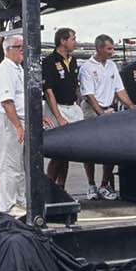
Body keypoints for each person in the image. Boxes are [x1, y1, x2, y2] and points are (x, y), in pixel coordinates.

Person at [79, 34, 135, 199]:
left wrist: (132, 106)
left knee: (111, 148)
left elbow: (120, 90)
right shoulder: (87, 67)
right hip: (91, 109)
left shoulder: (112, 66)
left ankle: (105, 184)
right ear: (99, 48)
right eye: (109, 48)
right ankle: (91, 185)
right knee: (88, 149)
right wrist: (101, 114)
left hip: (109, 109)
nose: (112, 51)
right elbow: (89, 95)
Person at [0, 34, 28, 217]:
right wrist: (18, 125)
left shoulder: (18, 69)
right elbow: (7, 102)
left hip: (19, 119)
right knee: (9, 165)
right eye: (18, 46)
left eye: (23, 46)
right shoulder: (5, 69)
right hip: (9, 121)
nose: (22, 49)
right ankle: (8, 205)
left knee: (19, 166)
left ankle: (21, 201)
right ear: (7, 49)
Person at [41, 27, 80, 194]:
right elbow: (48, 91)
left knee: (67, 153)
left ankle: (61, 188)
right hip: (57, 108)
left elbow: (75, 86)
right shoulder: (49, 61)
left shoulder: (73, 60)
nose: (75, 42)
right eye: (73, 39)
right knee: (58, 152)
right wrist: (58, 117)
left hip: (72, 107)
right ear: (63, 41)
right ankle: (48, 188)